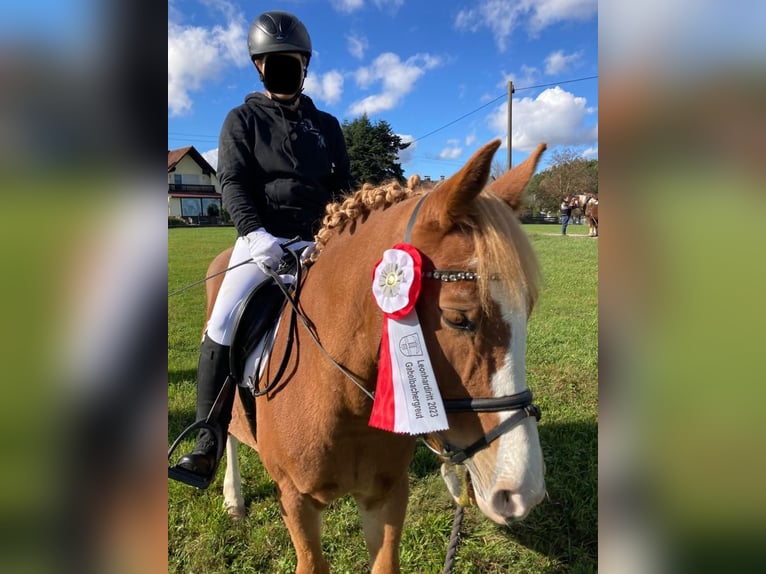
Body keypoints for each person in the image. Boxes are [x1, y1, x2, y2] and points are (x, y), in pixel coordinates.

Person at [172, 10, 353, 488]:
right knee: (223, 319)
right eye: (272, 61)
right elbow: (232, 182)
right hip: (262, 242)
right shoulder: (242, 120)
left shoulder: (327, 125)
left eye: (290, 60)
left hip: (321, 241)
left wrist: (333, 238)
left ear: (304, 64)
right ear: (258, 66)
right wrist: (255, 235)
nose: (282, 68)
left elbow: (344, 186)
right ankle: (207, 439)